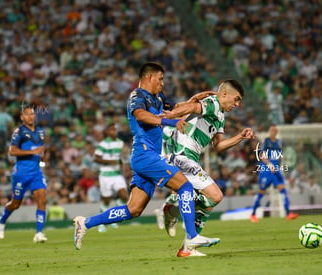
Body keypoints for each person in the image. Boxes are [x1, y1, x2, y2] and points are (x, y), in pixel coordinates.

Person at [72, 62, 219, 252]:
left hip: (148, 157)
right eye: (160, 79)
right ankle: (191, 237)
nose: (162, 83)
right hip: (144, 154)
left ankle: (86, 223)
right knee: (185, 186)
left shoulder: (158, 98)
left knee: (133, 209)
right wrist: (169, 122)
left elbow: (176, 109)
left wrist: (196, 99)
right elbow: (141, 115)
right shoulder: (137, 96)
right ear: (149, 77)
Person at [157, 79, 254, 257]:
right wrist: (170, 116)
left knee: (208, 202)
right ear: (224, 94)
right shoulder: (213, 103)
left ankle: (179, 225)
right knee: (215, 195)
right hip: (181, 155)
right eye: (236, 99)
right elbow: (192, 107)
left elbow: (218, 146)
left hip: (190, 158)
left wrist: (240, 137)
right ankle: (181, 226)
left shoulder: (220, 115)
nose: (237, 104)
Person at [0, 105, 48, 243]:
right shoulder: (19, 132)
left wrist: (42, 157)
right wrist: (33, 152)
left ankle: (39, 233)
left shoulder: (41, 132)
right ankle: (1, 220)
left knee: (42, 199)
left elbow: (40, 151)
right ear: (21, 117)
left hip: (36, 173)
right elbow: (12, 151)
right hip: (21, 174)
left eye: (32, 114)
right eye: (27, 114)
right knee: (15, 204)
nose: (30, 116)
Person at [250, 124, 299, 222]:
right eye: (272, 130)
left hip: (276, 170)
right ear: (269, 131)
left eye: (275, 130)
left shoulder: (279, 142)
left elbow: (279, 156)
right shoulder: (266, 141)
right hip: (266, 171)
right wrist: (269, 164)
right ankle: (253, 214)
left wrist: (279, 167)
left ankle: (288, 213)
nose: (274, 132)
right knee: (261, 192)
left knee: (283, 190)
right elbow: (262, 155)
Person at [94, 123, 128, 232]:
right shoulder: (103, 144)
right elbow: (96, 158)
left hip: (117, 174)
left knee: (124, 195)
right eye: (111, 130)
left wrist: (124, 166)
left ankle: (114, 215)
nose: (114, 131)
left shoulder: (120, 143)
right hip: (105, 175)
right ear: (107, 132)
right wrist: (109, 161)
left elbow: (120, 158)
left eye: (115, 129)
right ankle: (102, 222)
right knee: (106, 200)